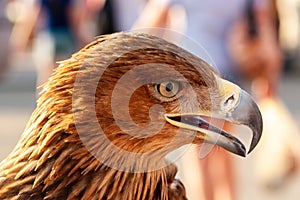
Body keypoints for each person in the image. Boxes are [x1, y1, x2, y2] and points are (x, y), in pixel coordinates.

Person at [132, 0, 283, 199]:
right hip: (228, 73)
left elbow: (152, 21)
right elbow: (266, 29)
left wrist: (122, 58)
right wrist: (269, 80)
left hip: (192, 74)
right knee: (225, 151)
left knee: (200, 157)